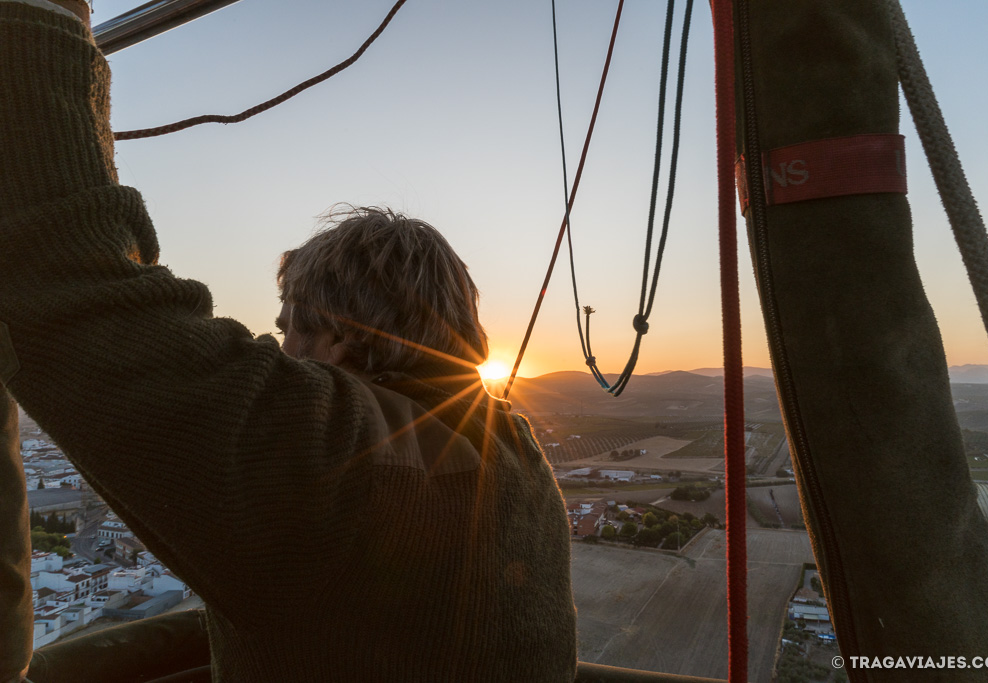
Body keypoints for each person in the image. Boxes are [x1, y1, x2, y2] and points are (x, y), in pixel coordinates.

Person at [0, 1, 577, 681]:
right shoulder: (515, 453)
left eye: (287, 328)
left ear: (335, 335)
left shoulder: (329, 456)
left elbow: (69, 287)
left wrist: (40, 21)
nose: (277, 354)